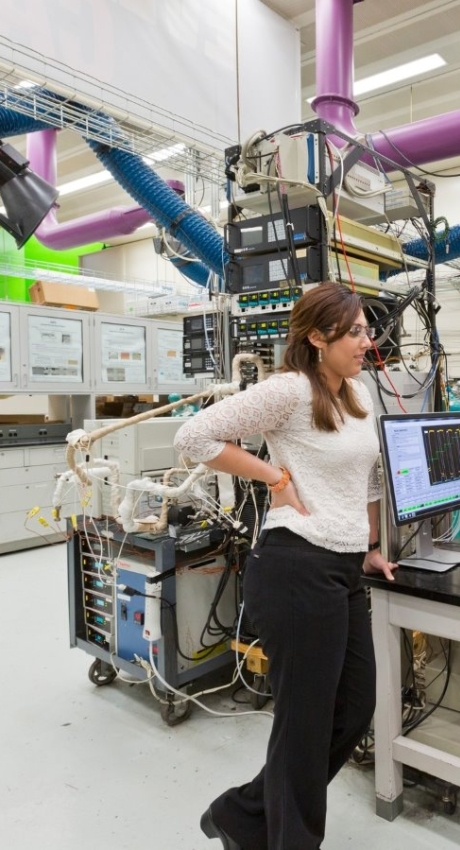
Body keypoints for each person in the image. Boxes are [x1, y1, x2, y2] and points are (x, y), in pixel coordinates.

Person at [174, 282, 397, 850]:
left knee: (354, 708)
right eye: (354, 332)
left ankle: (241, 813)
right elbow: (194, 435)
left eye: (367, 330)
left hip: (345, 567)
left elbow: (369, 475)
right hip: (297, 564)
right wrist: (274, 477)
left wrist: (370, 543)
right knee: (305, 724)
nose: (366, 341)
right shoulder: (290, 391)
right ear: (318, 337)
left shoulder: (359, 389)